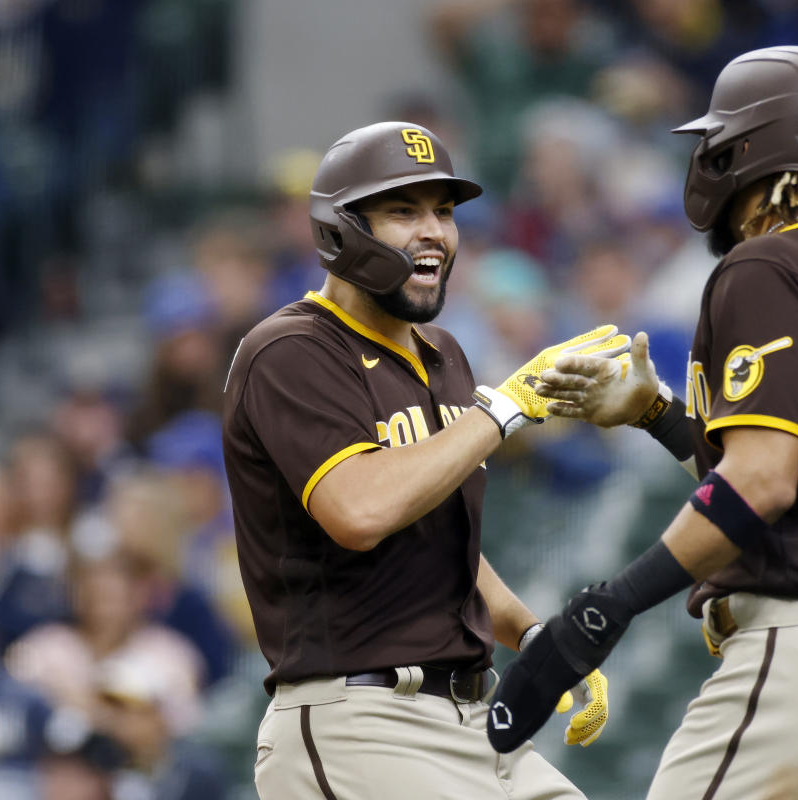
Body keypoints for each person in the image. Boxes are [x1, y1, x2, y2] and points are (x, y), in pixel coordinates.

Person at [487, 47, 798, 799]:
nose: (708, 160)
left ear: (761, 147)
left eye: (720, 142)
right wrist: (660, 416)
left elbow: (761, 482)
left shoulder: (766, 267)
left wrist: (611, 606)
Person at [221, 121, 622, 800]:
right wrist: (501, 412)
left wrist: (531, 635)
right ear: (340, 229)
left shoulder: (443, 356)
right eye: (403, 211)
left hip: (470, 718)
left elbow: (441, 543)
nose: (433, 230)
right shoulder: (290, 351)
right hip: (360, 719)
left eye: (443, 210)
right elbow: (360, 510)